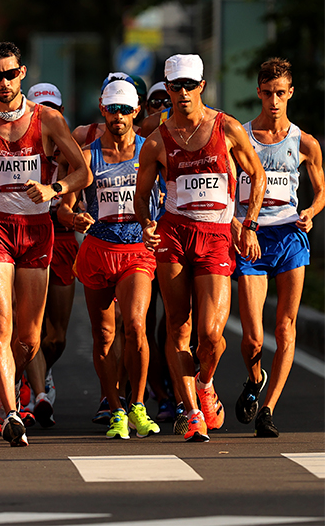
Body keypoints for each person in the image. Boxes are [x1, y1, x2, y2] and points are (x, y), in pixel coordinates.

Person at [0, 42, 91, 447]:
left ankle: (7, 393)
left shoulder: (47, 120)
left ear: (22, 73)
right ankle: (11, 410)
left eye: (9, 74)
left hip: (36, 231)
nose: (3, 82)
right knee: (0, 323)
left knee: (30, 338)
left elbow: (82, 171)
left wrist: (55, 189)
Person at [135, 54, 266, 443]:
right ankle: (191, 411)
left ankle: (205, 382)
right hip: (174, 234)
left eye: (190, 85)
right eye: (176, 87)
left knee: (210, 334)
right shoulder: (156, 141)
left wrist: (250, 224)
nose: (183, 93)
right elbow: (141, 198)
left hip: (215, 236)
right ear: (168, 89)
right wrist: (146, 223)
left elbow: (255, 174)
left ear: (202, 86)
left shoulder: (224, 128)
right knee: (178, 325)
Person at [64, 81, 161, 440]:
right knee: (104, 335)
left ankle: (138, 404)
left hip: (137, 249)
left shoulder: (150, 150)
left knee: (135, 325)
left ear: (137, 112)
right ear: (102, 111)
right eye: (111, 109)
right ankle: (115, 407)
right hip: (98, 249)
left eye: (125, 110)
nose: (118, 116)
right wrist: (74, 218)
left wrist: (157, 223)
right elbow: (64, 207)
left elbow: (171, 194)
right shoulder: (87, 156)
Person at [234, 58, 324, 437]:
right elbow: (223, 189)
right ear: (259, 92)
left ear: (290, 94)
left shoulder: (304, 142)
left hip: (289, 235)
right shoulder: (239, 136)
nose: (274, 101)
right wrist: (240, 225)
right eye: (268, 93)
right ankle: (255, 379)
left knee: (286, 329)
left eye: (281, 94)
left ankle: (268, 408)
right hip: (251, 238)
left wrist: (310, 212)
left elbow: (321, 193)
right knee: (254, 335)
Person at [22, 83, 76, 429]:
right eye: (39, 109)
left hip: (65, 242)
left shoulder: (72, 152)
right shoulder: (21, 150)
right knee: (29, 331)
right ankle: (34, 389)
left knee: (56, 336)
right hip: (28, 239)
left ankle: (45, 372)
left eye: (51, 108)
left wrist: (73, 211)